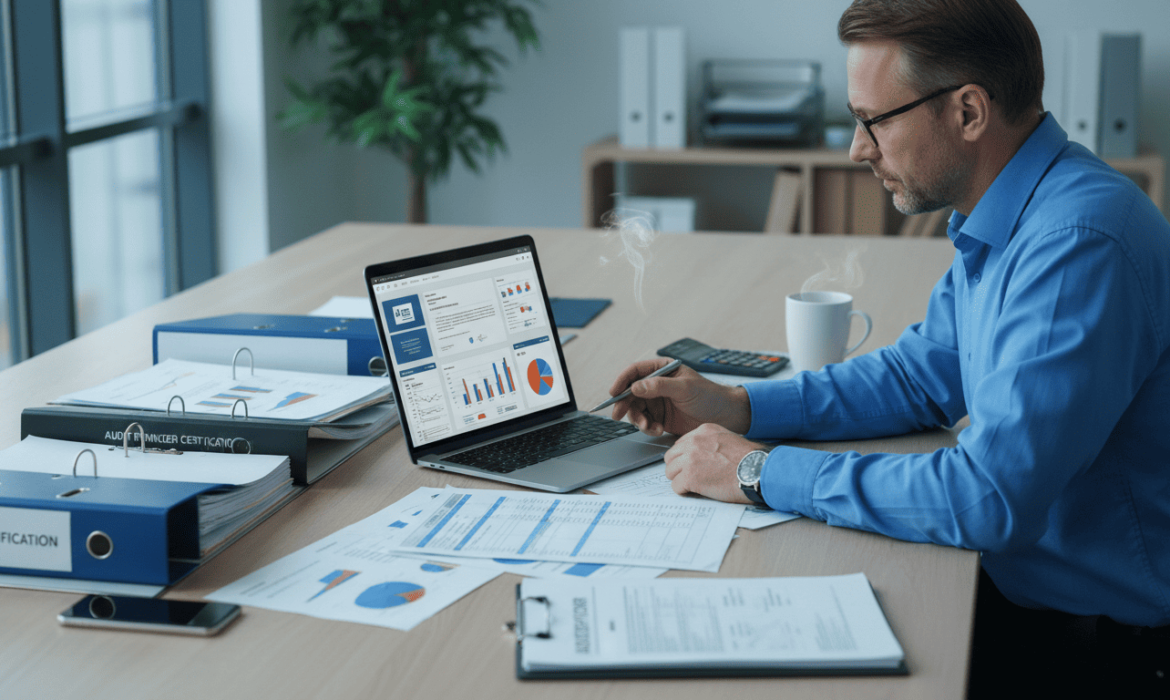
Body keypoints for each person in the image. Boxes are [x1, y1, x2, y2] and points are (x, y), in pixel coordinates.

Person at [606, 0, 1170, 695]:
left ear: (967, 112)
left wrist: (757, 473)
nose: (856, 148)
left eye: (874, 119)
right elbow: (921, 378)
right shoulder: (1009, 210)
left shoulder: (1076, 244)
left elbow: (987, 498)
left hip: (1099, 645)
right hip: (1031, 589)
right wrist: (737, 404)